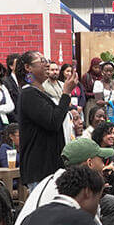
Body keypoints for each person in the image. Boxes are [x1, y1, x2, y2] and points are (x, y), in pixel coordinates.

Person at [14, 138, 114, 225]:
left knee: (110, 203)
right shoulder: (75, 192)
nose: (103, 165)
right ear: (90, 163)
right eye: (101, 160)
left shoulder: (56, 179)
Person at [17, 51, 74, 192]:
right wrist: (66, 93)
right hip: (40, 168)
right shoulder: (29, 94)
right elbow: (53, 121)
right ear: (28, 68)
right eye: (42, 61)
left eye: (46, 60)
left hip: (50, 167)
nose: (47, 64)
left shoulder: (41, 93)